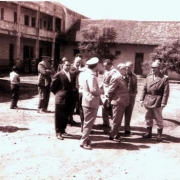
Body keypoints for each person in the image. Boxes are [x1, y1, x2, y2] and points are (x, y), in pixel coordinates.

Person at [140, 61, 169, 141]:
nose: (153, 69)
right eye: (152, 67)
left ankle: (159, 135)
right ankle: (149, 133)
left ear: (159, 68)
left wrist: (163, 102)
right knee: (148, 117)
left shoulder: (164, 78)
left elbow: (166, 92)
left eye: (155, 68)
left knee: (158, 118)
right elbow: (144, 88)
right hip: (148, 99)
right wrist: (141, 99)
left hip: (157, 100)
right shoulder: (149, 77)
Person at [80, 57, 103, 150]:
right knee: (88, 123)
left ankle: (86, 138)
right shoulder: (91, 75)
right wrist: (101, 91)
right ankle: (84, 141)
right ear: (96, 65)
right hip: (91, 101)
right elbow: (93, 90)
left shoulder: (85, 73)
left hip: (86, 100)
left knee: (87, 122)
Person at [51, 60, 77, 140]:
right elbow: (52, 87)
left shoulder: (71, 74)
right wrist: (59, 93)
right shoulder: (59, 74)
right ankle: (58, 132)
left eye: (69, 65)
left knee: (66, 115)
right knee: (59, 116)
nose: (68, 67)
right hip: (61, 99)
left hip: (69, 98)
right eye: (66, 65)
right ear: (62, 65)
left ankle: (63, 130)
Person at [107, 63, 129, 142]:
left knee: (118, 120)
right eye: (124, 69)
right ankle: (113, 135)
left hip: (122, 102)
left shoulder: (122, 77)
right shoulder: (116, 77)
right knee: (116, 120)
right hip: (118, 102)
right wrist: (109, 100)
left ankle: (116, 134)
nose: (126, 70)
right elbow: (110, 90)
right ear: (120, 69)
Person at [101, 59, 117, 134]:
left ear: (110, 65)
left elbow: (113, 83)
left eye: (106, 66)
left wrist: (109, 93)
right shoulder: (106, 71)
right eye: (104, 66)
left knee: (110, 108)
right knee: (104, 107)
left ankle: (114, 125)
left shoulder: (113, 72)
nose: (104, 67)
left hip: (111, 92)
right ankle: (105, 123)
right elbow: (104, 81)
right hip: (105, 91)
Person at [123, 61, 138, 135]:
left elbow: (135, 87)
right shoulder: (122, 75)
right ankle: (116, 129)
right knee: (119, 114)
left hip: (131, 98)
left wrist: (134, 95)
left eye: (129, 67)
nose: (127, 68)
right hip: (122, 97)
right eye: (126, 66)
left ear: (132, 67)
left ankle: (127, 129)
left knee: (129, 114)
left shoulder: (134, 76)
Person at [68, 56, 83, 125]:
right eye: (77, 62)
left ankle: (71, 119)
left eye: (79, 62)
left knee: (75, 105)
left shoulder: (78, 68)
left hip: (77, 89)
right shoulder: (72, 68)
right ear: (74, 61)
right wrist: (79, 70)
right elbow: (72, 74)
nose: (78, 64)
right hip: (72, 89)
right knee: (70, 105)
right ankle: (69, 119)